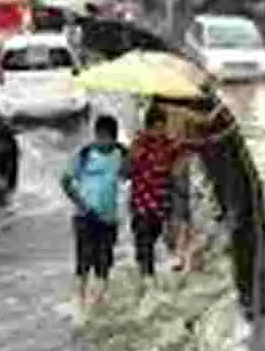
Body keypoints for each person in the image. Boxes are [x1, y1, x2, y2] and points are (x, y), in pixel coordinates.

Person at [62, 115, 129, 307]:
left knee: (104, 262)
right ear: (96, 135)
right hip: (84, 216)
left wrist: (130, 156)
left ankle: (97, 301)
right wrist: (81, 204)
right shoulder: (84, 154)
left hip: (108, 218)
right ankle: (79, 300)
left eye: (109, 138)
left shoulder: (120, 154)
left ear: (115, 137)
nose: (105, 142)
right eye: (102, 137)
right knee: (83, 260)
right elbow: (65, 181)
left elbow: (127, 175)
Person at [128, 105, 185, 290]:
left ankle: (146, 278)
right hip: (141, 205)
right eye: (157, 128)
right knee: (144, 246)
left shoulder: (170, 145)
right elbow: (126, 172)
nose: (160, 132)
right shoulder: (139, 144)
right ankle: (147, 283)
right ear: (149, 126)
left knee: (151, 241)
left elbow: (178, 167)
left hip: (161, 205)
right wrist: (133, 155)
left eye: (163, 128)